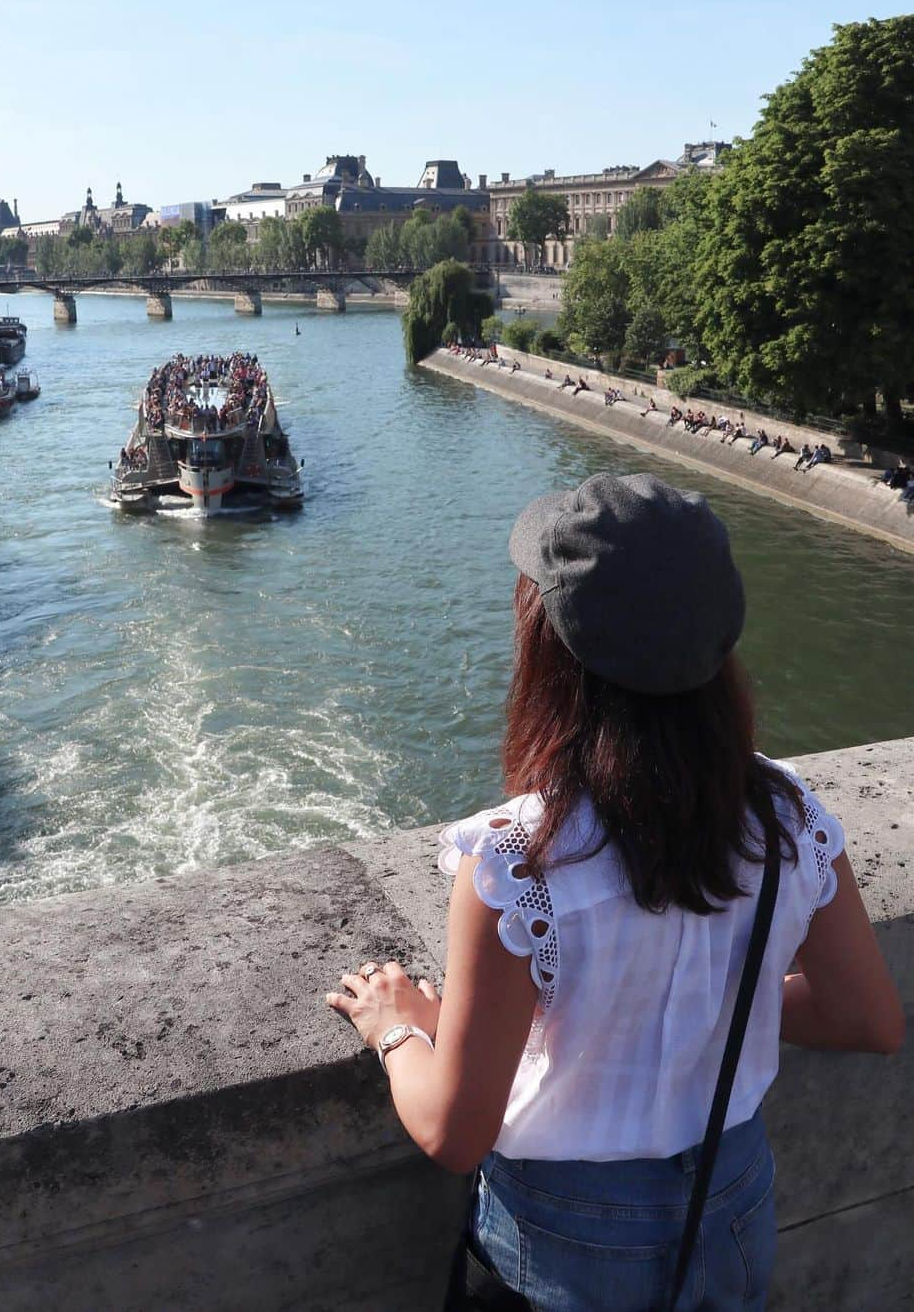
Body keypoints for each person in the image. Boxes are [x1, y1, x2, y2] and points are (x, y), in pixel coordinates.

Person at [327, 473, 902, 1311]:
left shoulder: (522, 860)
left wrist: (398, 1026)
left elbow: (454, 1131)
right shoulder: (787, 819)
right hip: (733, 1203)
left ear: (549, 649)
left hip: (567, 1242)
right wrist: (716, 1001)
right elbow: (870, 1019)